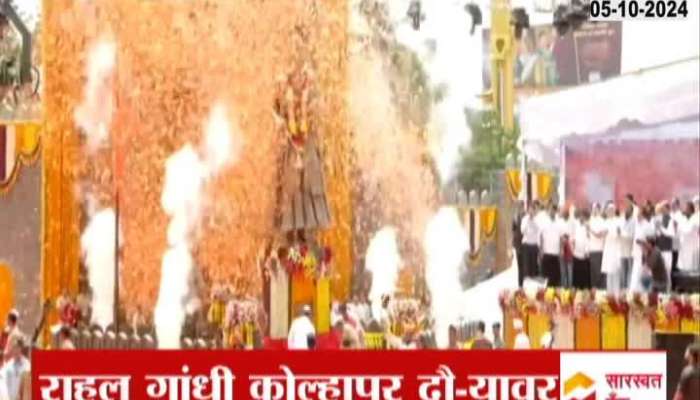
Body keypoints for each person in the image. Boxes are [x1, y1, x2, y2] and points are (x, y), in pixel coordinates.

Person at [630, 206, 656, 292]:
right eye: (637, 214)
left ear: (643, 215)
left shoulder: (648, 226)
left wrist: (641, 242)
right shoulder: (637, 225)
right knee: (635, 274)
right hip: (636, 254)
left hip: (645, 255)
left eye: (639, 214)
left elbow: (652, 243)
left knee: (643, 275)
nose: (637, 216)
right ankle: (634, 293)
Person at [601, 203, 623, 293]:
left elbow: (620, 234)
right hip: (608, 249)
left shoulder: (619, 221)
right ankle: (609, 294)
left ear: (614, 211)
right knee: (609, 273)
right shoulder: (605, 222)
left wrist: (617, 233)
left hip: (616, 249)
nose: (610, 212)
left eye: (611, 210)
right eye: (608, 210)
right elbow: (603, 234)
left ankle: (616, 292)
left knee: (615, 272)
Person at [0, 336, 30, 400]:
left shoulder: (28, 366)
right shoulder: (7, 367)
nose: (15, 350)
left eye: (17, 348)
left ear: (21, 348)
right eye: (13, 348)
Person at [539, 205, 562, 287]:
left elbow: (560, 237)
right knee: (546, 277)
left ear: (555, 212)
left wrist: (561, 250)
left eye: (553, 210)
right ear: (548, 211)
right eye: (550, 210)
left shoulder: (559, 222)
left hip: (556, 253)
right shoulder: (544, 222)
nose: (552, 212)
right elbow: (540, 236)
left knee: (556, 277)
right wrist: (541, 250)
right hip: (546, 253)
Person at [656, 202, 675, 292]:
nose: (661, 210)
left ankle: (668, 290)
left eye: (663, 208)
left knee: (667, 270)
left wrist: (661, 229)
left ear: (667, 209)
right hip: (660, 249)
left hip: (667, 250)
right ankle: (661, 290)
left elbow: (671, 233)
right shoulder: (659, 219)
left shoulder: (671, 220)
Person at [588, 203, 606, 289]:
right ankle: (593, 290)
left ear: (599, 210)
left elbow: (599, 235)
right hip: (591, 250)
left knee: (598, 271)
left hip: (599, 250)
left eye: (596, 208)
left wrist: (590, 229)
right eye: (593, 208)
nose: (594, 210)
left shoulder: (602, 221)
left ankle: (600, 290)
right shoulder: (590, 220)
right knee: (592, 272)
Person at [520, 203, 541, 280]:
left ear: (534, 210)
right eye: (530, 209)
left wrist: (533, 220)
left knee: (534, 267)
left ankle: (534, 283)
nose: (531, 211)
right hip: (526, 245)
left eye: (533, 209)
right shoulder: (524, 219)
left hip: (534, 245)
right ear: (528, 210)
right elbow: (522, 231)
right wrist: (528, 220)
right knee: (526, 267)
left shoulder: (537, 219)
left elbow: (538, 229)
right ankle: (526, 283)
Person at [572, 209, 591, 289]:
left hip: (584, 254)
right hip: (576, 253)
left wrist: (587, 250)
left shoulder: (587, 226)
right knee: (576, 274)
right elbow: (573, 237)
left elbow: (588, 239)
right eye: (580, 216)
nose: (581, 218)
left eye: (583, 216)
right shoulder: (575, 225)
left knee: (584, 274)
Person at [556, 205, 575, 287]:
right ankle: (564, 289)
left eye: (566, 212)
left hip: (570, 248)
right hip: (561, 247)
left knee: (570, 271)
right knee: (562, 271)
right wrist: (561, 248)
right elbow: (559, 235)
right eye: (563, 212)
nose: (564, 213)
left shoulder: (572, 222)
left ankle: (570, 289)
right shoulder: (559, 222)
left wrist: (567, 239)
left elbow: (572, 235)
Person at [678, 201, 700, 272]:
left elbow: (689, 231)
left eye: (686, 208)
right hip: (684, 245)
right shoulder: (683, 219)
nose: (684, 210)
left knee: (692, 266)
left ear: (690, 210)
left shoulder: (695, 219)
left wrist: (681, 229)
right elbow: (679, 230)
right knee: (684, 266)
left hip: (692, 245)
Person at [619, 205, 636, 290]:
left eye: (629, 210)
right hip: (622, 247)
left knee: (630, 268)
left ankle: (629, 286)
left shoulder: (634, 221)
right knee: (622, 268)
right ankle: (623, 286)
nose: (627, 211)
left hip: (630, 247)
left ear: (632, 212)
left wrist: (623, 234)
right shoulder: (622, 220)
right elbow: (619, 231)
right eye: (626, 209)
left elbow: (632, 235)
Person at [513, 200, 526, 286]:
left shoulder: (526, 217)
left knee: (525, 267)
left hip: (525, 245)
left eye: (520, 206)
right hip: (518, 246)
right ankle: (520, 285)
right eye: (518, 206)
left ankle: (525, 284)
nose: (519, 208)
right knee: (520, 267)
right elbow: (513, 230)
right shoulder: (515, 217)